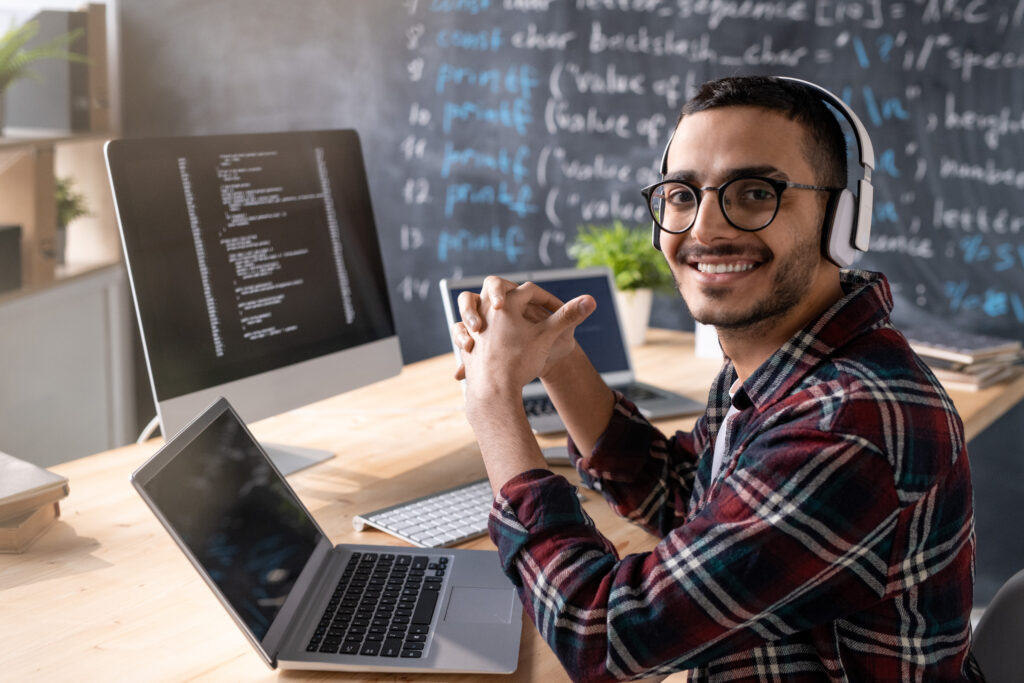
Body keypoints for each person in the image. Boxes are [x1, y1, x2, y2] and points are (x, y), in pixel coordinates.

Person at [450, 76, 981, 682]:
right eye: (681, 194)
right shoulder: (783, 362)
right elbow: (684, 500)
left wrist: (493, 403)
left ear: (843, 219)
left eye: (755, 192)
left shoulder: (847, 423)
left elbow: (602, 639)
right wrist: (561, 359)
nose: (703, 228)